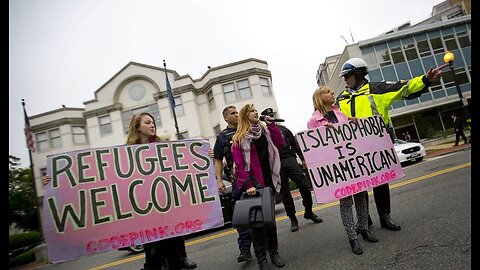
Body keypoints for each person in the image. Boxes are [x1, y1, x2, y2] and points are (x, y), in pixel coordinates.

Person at [43, 112, 197, 270]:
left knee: (173, 243)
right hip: (145, 210)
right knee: (154, 251)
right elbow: (97, 175)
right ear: (138, 127)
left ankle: (180, 258)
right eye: (148, 122)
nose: (153, 125)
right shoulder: (125, 153)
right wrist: (55, 180)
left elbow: (180, 166)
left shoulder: (160, 146)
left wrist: (202, 155)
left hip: (166, 204)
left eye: (153, 123)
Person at [337, 57, 444, 232]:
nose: (345, 80)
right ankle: (365, 220)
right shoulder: (342, 98)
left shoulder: (378, 89)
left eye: (347, 75)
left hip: (377, 143)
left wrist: (426, 80)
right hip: (355, 147)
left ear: (357, 74)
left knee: (381, 182)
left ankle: (384, 216)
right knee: (360, 185)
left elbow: (406, 87)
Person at [307, 85, 378, 255]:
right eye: (327, 92)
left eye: (331, 92)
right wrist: (324, 133)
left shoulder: (340, 113)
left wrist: (353, 123)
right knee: (346, 202)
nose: (332, 93)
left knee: (361, 196)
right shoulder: (313, 121)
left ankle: (364, 228)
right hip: (338, 167)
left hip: (352, 162)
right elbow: (315, 148)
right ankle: (352, 237)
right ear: (319, 97)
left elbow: (350, 138)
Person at [231, 103, 286, 269]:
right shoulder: (239, 138)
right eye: (252, 111)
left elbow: (280, 143)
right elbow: (239, 164)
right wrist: (247, 184)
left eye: (256, 110)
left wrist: (272, 124)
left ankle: (274, 253)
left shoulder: (265, 131)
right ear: (245, 116)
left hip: (268, 180)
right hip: (253, 185)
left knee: (270, 220)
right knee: (257, 224)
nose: (256, 112)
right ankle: (262, 259)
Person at [260, 107, 322, 232]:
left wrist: (303, 159)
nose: (271, 118)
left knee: (304, 185)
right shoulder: (263, 132)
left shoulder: (283, 129)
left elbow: (295, 144)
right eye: (268, 116)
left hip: (289, 158)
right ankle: (293, 218)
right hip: (276, 164)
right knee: (285, 192)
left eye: (272, 116)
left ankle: (309, 211)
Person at [213, 105, 253, 263]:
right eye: (233, 113)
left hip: (255, 176)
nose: (237, 115)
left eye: (237, 112)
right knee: (241, 215)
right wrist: (218, 180)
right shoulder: (222, 137)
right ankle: (244, 249)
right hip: (238, 180)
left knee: (259, 213)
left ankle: (265, 247)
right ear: (225, 118)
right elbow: (217, 160)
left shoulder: (249, 128)